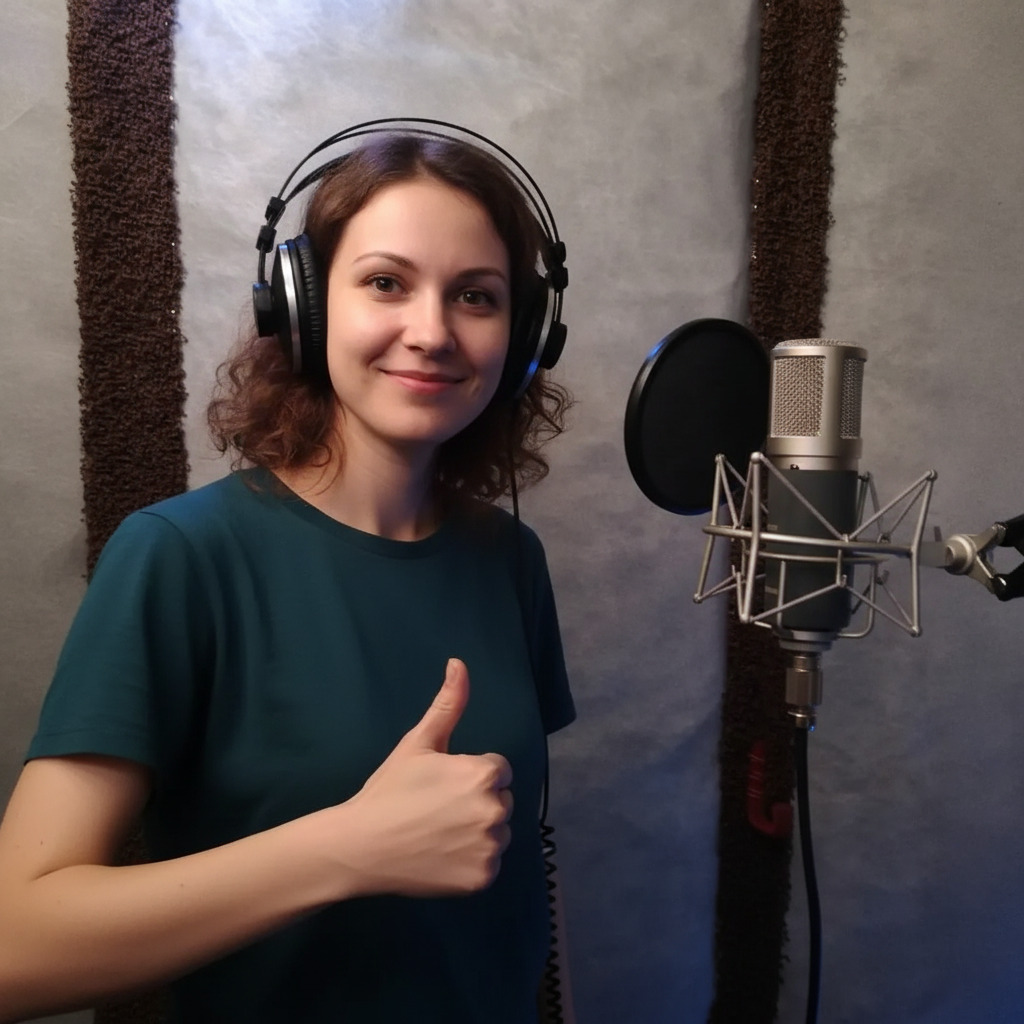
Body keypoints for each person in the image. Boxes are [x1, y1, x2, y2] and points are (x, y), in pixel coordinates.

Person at [0, 126, 575, 1023]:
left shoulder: (511, 559)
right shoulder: (179, 555)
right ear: (304, 307)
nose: (432, 332)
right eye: (386, 282)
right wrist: (347, 848)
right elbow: (16, 949)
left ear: (525, 333)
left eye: (476, 296)